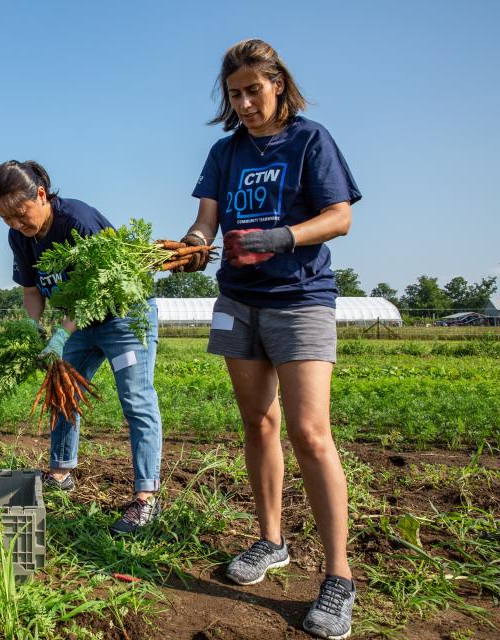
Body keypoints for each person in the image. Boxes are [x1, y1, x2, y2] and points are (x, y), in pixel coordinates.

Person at [180, 39, 361, 639]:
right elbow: (208, 217)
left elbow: (339, 216)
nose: (245, 103)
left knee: (311, 433)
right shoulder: (224, 151)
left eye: (254, 90)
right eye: (235, 94)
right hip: (237, 301)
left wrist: (280, 238)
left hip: (300, 299)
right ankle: (270, 541)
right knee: (258, 422)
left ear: (278, 83)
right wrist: (193, 244)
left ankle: (338, 576)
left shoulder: (311, 140)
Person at [0, 160, 163, 535]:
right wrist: (33, 327)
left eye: (20, 214)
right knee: (62, 392)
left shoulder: (78, 222)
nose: (17, 225)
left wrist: (61, 333)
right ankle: (61, 471)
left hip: (122, 317)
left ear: (40, 194)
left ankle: (147, 498)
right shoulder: (20, 238)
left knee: (136, 399)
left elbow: (94, 294)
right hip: (76, 321)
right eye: (7, 219)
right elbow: (32, 290)